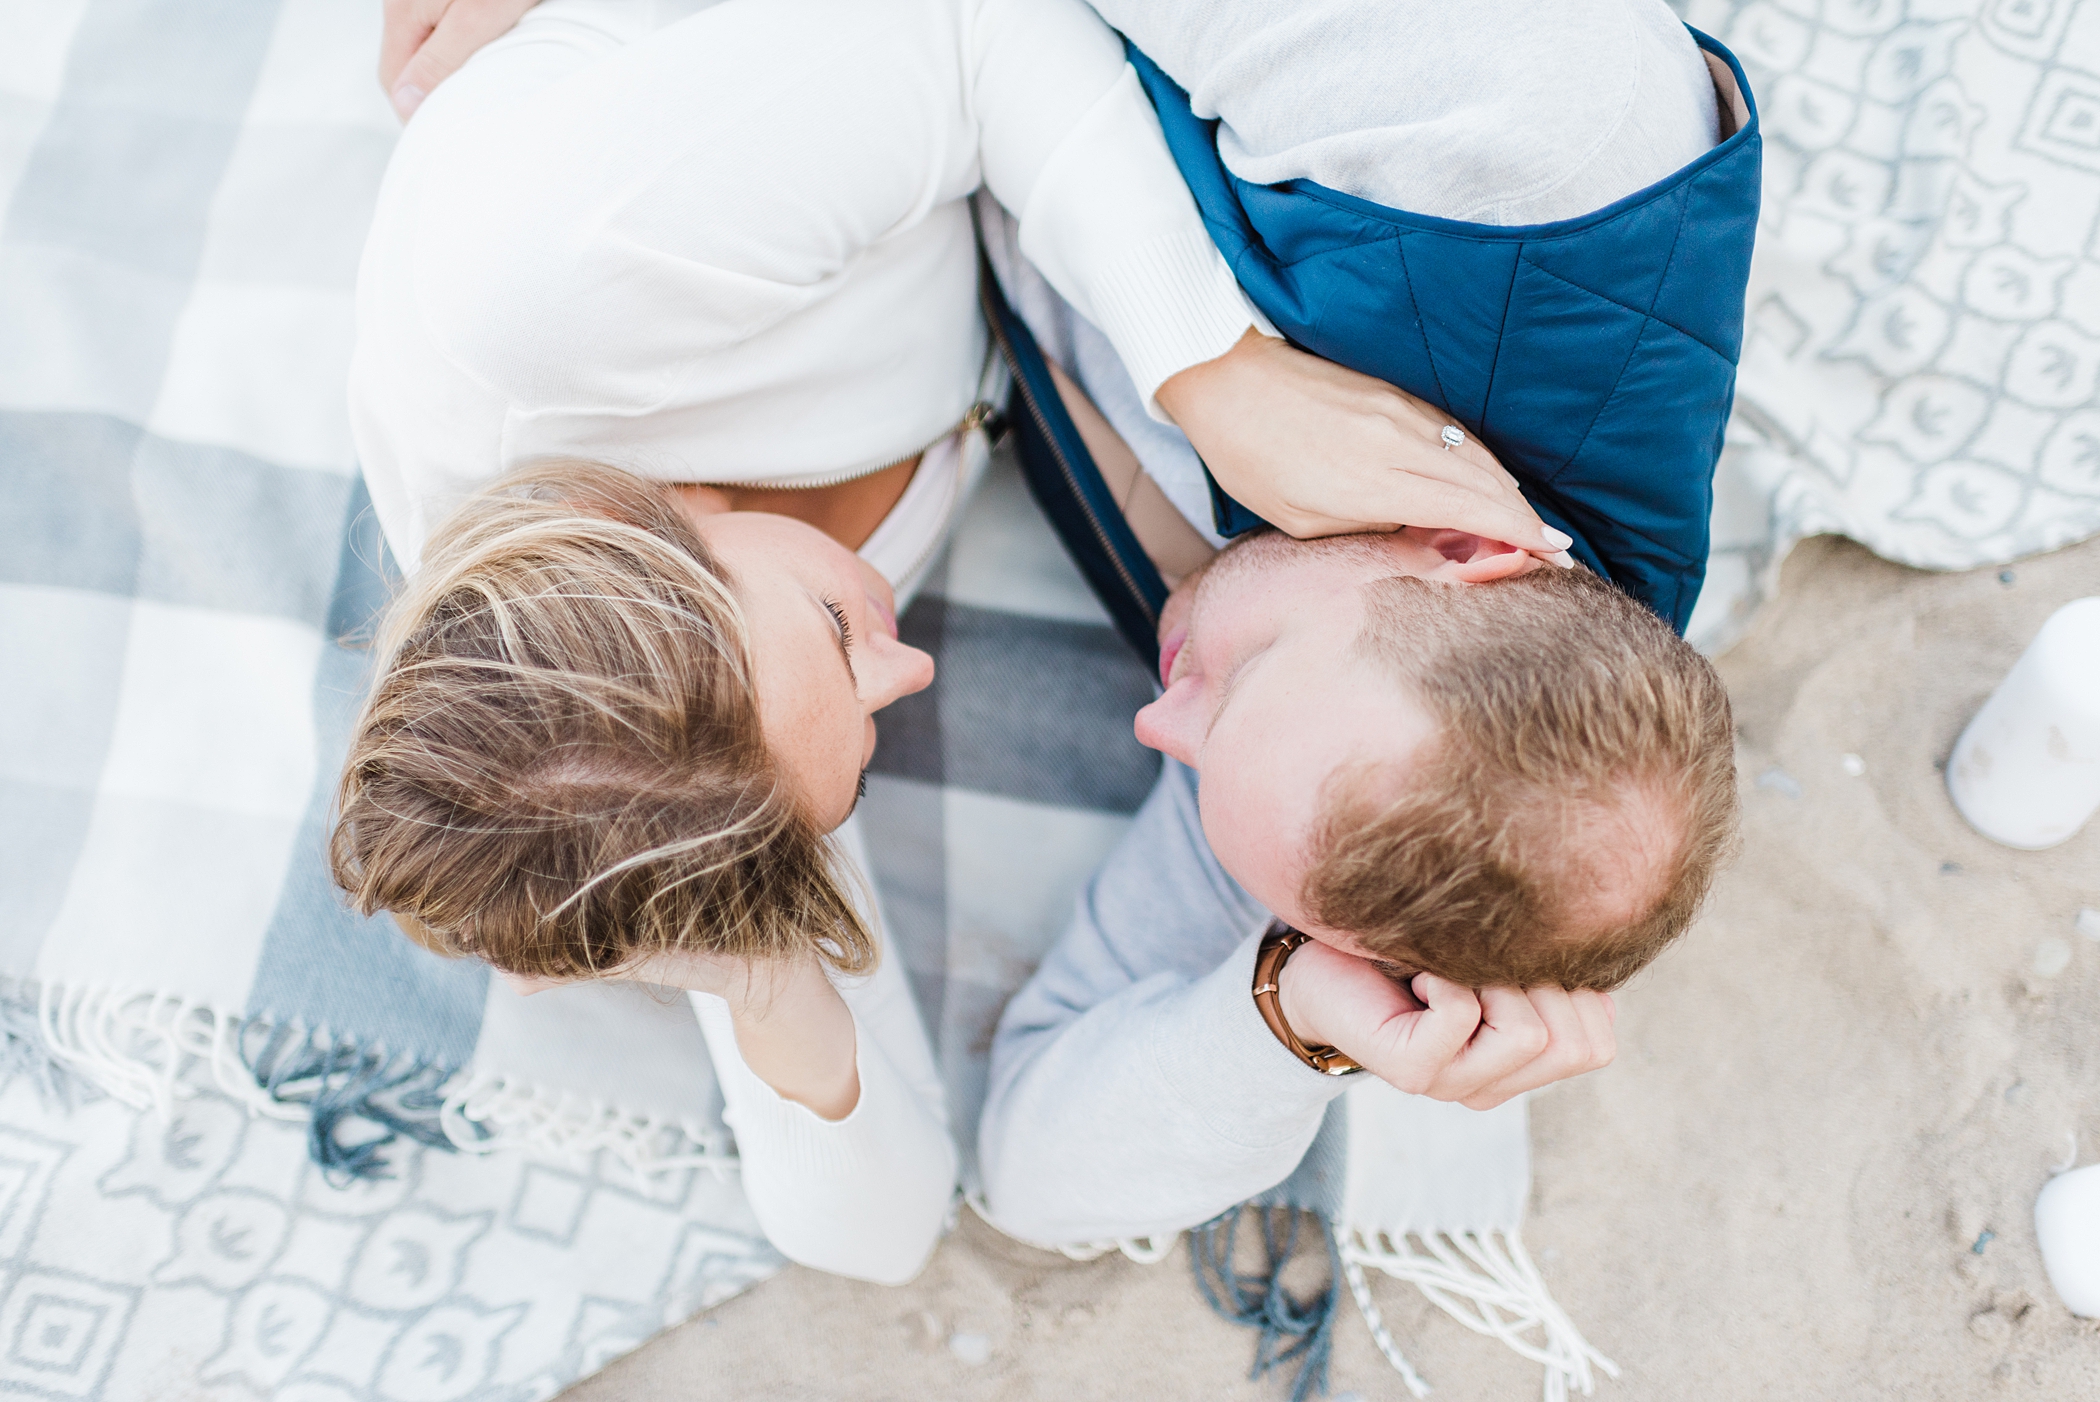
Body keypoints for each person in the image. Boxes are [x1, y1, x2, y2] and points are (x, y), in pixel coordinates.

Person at [336, 0, 1560, 1287]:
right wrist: (758, 981)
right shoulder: (659, 757)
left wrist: (1216, 372)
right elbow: (873, 1227)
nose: (907, 668)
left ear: (612, 512)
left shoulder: (547, 293)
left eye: (830, 630)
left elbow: (978, 36)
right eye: (851, 771)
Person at [974, 0, 1756, 1246]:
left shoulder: (1353, 793)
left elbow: (1034, 1176)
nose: (1155, 714)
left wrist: (1295, 1016)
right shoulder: (1535, 148)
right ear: (1470, 552)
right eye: (1234, 681)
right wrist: (1204, 366)